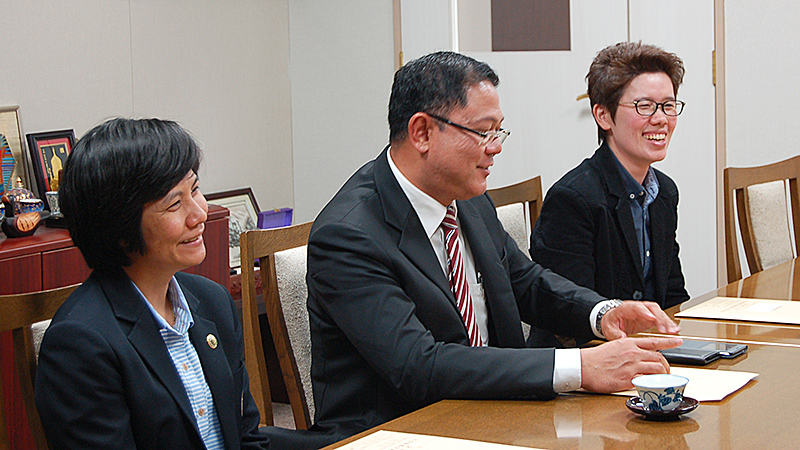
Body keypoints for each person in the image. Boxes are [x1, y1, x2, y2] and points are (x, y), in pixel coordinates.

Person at [305, 51, 682, 440]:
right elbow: (417, 365)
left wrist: (602, 313)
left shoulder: (467, 198)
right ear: (421, 132)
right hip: (400, 431)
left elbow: (526, 281)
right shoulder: (349, 234)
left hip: (497, 414)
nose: (496, 146)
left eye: (499, 131)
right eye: (484, 132)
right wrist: (579, 367)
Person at [35, 118, 269, 450]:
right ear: (118, 228)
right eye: (175, 203)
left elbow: (246, 436)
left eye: (195, 189)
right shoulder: (80, 343)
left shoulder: (211, 301)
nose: (199, 212)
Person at [529, 42, 690, 348]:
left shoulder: (664, 192)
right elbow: (568, 316)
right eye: (645, 106)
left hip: (646, 352)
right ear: (603, 116)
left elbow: (672, 296)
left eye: (669, 105)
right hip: (587, 362)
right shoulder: (573, 198)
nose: (660, 119)